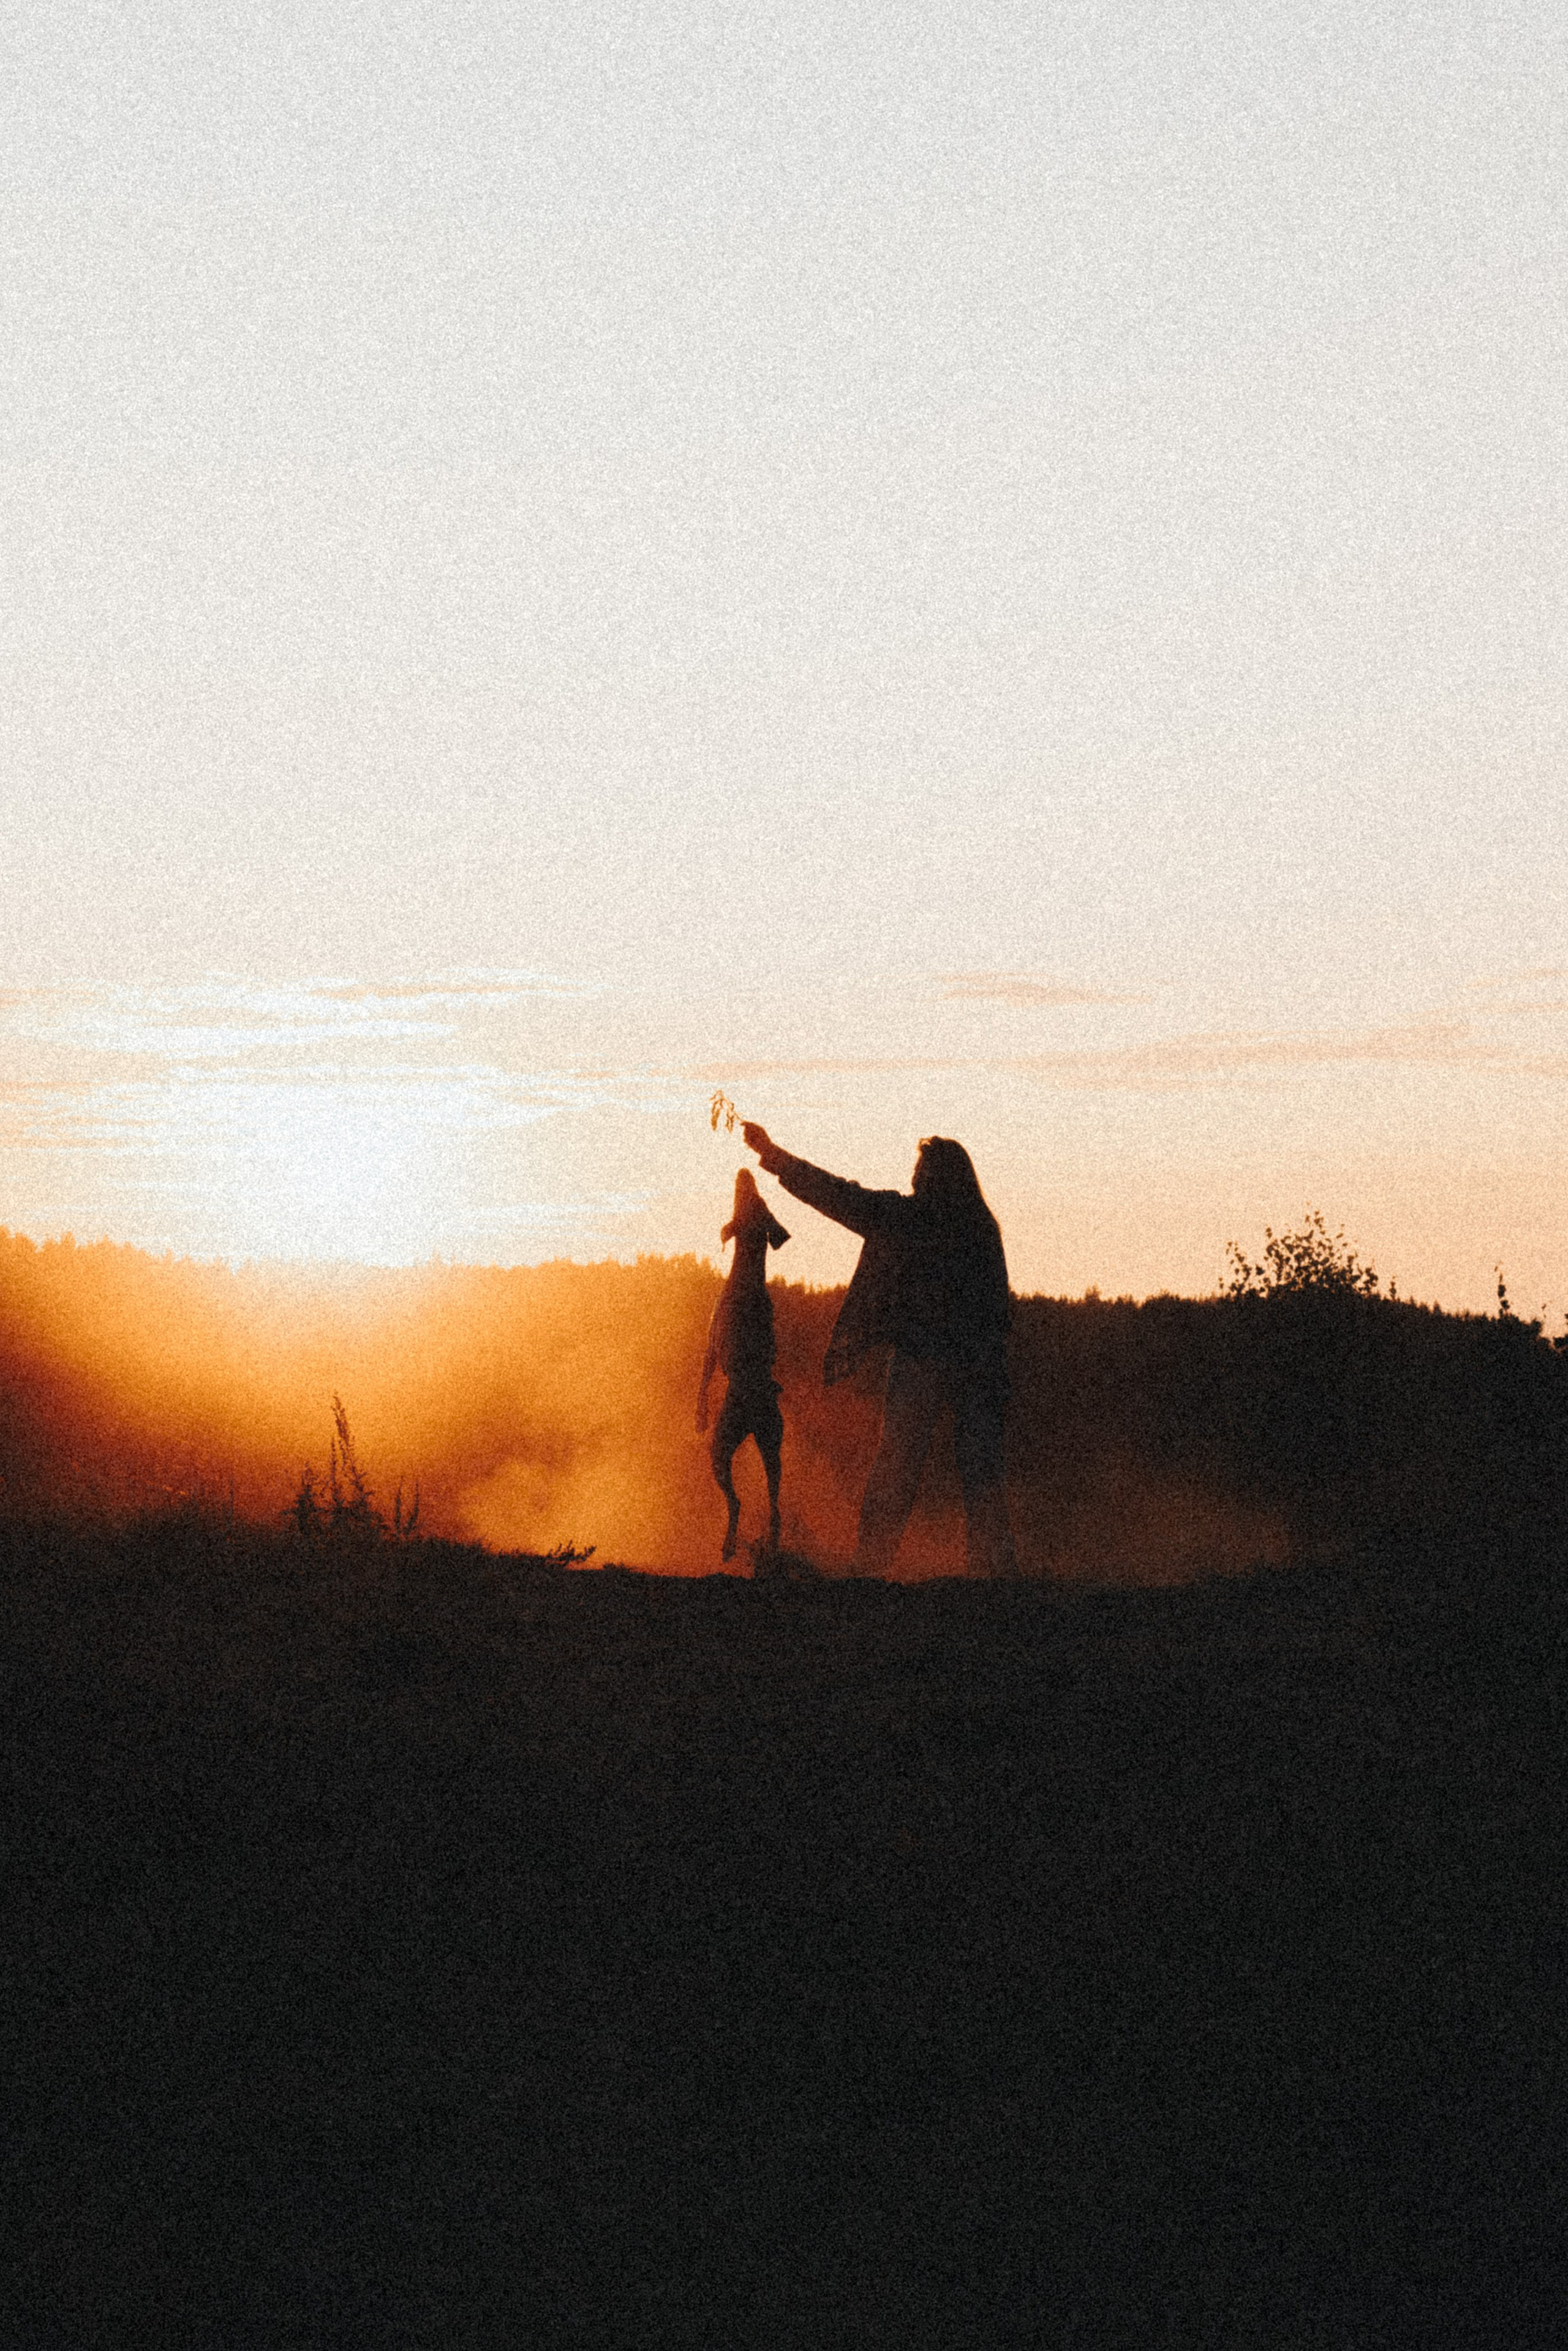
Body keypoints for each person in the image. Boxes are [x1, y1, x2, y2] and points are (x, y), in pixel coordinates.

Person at [741, 1123, 1019, 1579]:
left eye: (920, 1170)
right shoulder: (978, 1227)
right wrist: (774, 1157)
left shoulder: (908, 1219)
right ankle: (992, 1572)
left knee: (901, 1467)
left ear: (932, 1179)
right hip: (973, 1361)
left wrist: (774, 1156)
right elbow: (996, 1306)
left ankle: (873, 1567)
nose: (914, 1178)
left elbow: (837, 1196)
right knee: (976, 1470)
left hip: (931, 1358)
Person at [695, 1168, 790, 1564]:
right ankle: (766, 1517)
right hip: (753, 1386)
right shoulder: (758, 1215)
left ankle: (765, 1519)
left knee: (723, 1457)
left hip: (743, 1388)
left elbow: (778, 1236)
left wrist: (701, 1398)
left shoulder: (750, 1216)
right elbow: (781, 1238)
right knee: (756, 1463)